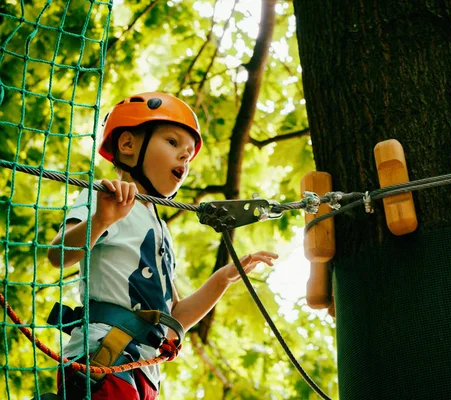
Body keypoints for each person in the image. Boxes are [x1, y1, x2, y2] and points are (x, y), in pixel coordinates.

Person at [46, 92, 278, 400]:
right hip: (103, 355)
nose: (184, 156)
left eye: (188, 153)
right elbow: (58, 255)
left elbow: (175, 316)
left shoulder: (161, 230)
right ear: (128, 145)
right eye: (172, 142)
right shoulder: (106, 198)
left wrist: (223, 279)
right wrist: (101, 220)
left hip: (144, 371)